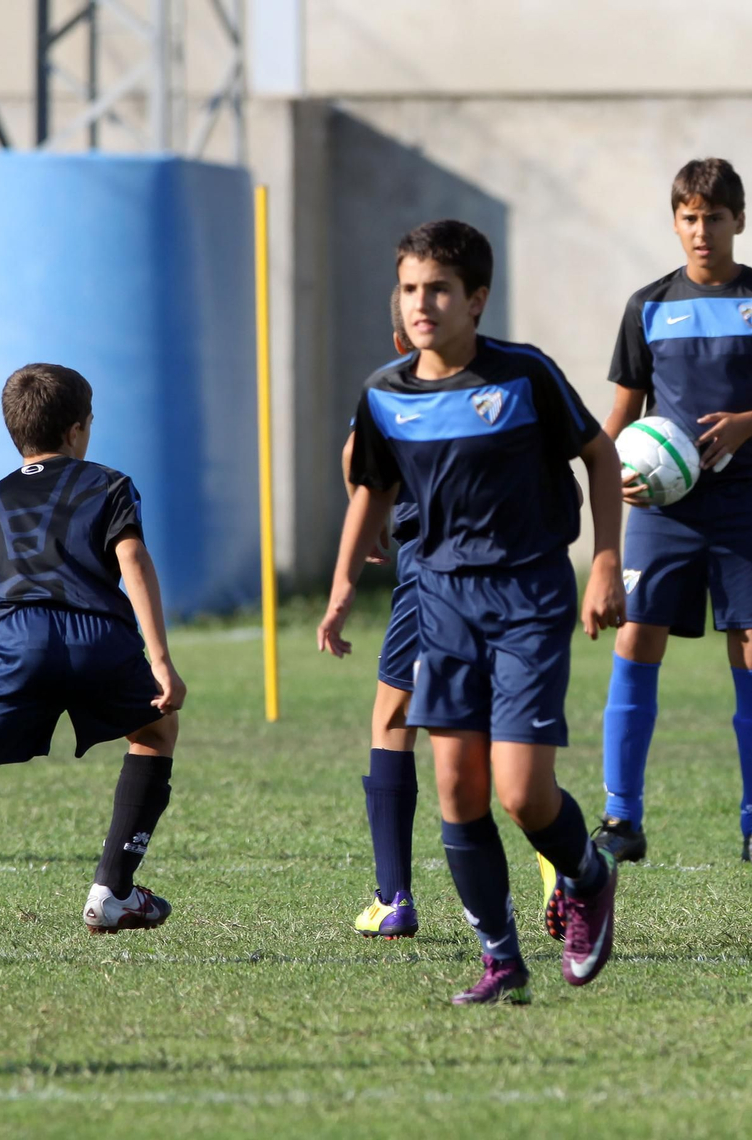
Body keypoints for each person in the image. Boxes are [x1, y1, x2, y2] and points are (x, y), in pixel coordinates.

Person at [317, 220, 628, 1004]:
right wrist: (344, 583)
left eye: (439, 290)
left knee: (522, 791)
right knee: (457, 787)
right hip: (443, 599)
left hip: (527, 594)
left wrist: (604, 561)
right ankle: (501, 957)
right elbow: (373, 488)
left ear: (475, 299)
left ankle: (588, 875)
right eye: (411, 288)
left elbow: (599, 452)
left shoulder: (524, 377)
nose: (422, 303)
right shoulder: (386, 392)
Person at [0, 363, 186, 964]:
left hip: (16, 648)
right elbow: (133, 560)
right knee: (155, 728)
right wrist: (161, 660)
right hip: (101, 637)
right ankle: (113, 890)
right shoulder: (109, 484)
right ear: (78, 430)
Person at [596, 157, 752, 867]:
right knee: (636, 639)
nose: (701, 230)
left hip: (746, 505)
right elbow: (619, 417)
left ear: (739, 220)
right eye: (688, 217)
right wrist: (613, 473)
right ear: (674, 222)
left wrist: (745, 424)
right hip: (663, 511)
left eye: (714, 216)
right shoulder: (648, 305)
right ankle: (622, 821)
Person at [334, 287, 424, 940]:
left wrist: (367, 531)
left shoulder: (391, 392)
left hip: (430, 575)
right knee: (510, 741)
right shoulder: (513, 375)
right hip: (517, 584)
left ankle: (393, 895)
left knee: (393, 717)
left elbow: (353, 463)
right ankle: (562, 878)